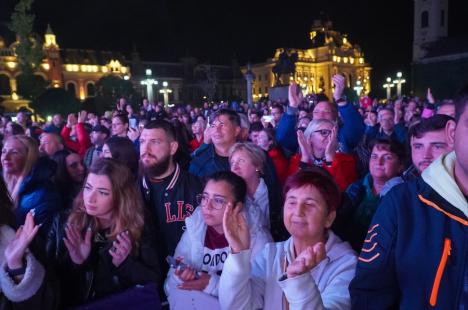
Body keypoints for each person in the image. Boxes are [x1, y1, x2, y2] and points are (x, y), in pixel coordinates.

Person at [349, 86, 468, 309]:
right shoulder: (401, 205)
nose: (425, 155)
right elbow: (369, 295)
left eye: (436, 146)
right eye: (418, 147)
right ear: (453, 132)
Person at [219, 169, 357, 309]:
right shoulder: (271, 254)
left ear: (329, 218)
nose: (298, 212)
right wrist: (238, 254)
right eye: (292, 202)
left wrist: (300, 280)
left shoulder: (347, 264)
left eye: (309, 204)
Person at [46, 158, 160, 308]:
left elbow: (154, 280)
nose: (90, 199)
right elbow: (51, 279)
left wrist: (125, 265)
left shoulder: (138, 226)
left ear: (120, 197)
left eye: (103, 192)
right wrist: (78, 262)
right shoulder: (64, 222)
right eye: (88, 188)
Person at [164, 171, 271, 309]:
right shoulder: (195, 227)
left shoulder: (257, 236)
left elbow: (258, 300)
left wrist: (211, 285)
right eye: (204, 198)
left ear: (237, 207)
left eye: (218, 200)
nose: (207, 206)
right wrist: (180, 277)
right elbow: (168, 287)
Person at [139, 120, 202, 281]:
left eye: (154, 142)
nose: (145, 149)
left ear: (172, 147)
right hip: (146, 286)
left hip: (188, 283)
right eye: (142, 141)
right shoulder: (130, 190)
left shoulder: (198, 189)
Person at [333, 138, 406, 251]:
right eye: (374, 156)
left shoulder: (404, 198)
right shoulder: (354, 188)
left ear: (400, 166)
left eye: (387, 157)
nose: (379, 162)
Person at [276, 75, 365, 154]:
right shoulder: (303, 135)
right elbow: (282, 139)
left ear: (335, 117)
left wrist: (338, 98)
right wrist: (293, 106)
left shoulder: (342, 135)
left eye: (326, 112)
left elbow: (356, 128)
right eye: (316, 112)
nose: (321, 115)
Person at [1, 135, 61, 235]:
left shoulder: (45, 195)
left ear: (29, 158)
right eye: (3, 151)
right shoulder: (3, 182)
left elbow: (44, 240)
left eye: (14, 152)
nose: (5, 157)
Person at [291, 118, 358, 191]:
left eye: (333, 134)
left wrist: (330, 158)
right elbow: (291, 189)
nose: (330, 137)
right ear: (310, 137)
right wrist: (305, 158)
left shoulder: (347, 160)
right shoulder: (297, 160)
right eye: (324, 132)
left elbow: (344, 194)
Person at [229, 143, 272, 230]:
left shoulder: (275, 192)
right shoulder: (230, 195)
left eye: (241, 161)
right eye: (232, 162)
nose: (234, 167)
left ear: (257, 165)